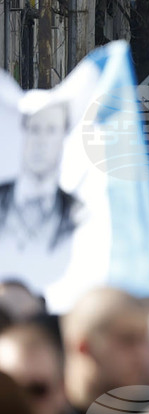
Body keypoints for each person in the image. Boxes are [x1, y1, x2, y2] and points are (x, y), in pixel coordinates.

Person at [0, 102, 80, 288]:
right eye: (34, 129)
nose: (41, 141)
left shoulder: (80, 211)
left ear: (63, 140)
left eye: (51, 130)